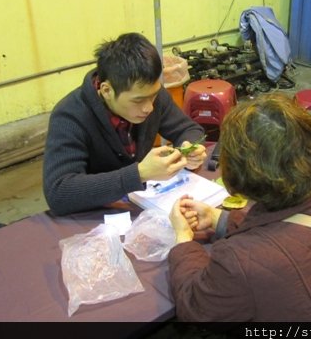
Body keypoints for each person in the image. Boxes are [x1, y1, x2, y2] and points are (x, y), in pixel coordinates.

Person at [168, 92, 311, 322]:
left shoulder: (239, 260)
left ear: (237, 173)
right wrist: (219, 219)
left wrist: (182, 241)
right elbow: (286, 227)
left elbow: (196, 306)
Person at [43, 32, 207, 216]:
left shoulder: (151, 95)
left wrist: (189, 147)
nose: (149, 108)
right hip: (98, 217)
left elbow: (188, 129)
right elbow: (59, 193)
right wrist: (138, 174)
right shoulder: (70, 116)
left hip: (145, 206)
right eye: (138, 101)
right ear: (106, 90)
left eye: (153, 96)